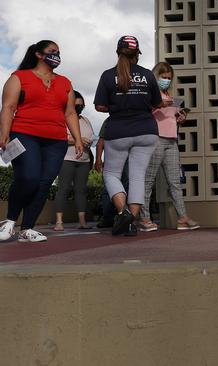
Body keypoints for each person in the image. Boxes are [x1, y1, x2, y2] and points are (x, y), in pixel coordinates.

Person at [0, 40, 83, 242]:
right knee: (28, 177)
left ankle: (27, 228)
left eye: (59, 52)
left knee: (44, 184)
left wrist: (78, 139)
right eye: (52, 51)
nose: (57, 55)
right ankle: (10, 221)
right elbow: (8, 107)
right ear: (39, 54)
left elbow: (70, 112)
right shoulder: (19, 77)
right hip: (24, 134)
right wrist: (4, 133)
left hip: (56, 140)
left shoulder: (65, 82)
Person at [94, 35, 162, 236]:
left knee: (111, 174)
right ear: (137, 54)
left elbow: (99, 106)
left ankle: (122, 212)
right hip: (147, 131)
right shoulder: (147, 75)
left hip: (118, 131)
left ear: (118, 52)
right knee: (137, 176)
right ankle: (131, 222)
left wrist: (116, 105)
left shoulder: (107, 76)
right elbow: (157, 103)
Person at [140, 61, 199, 232]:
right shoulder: (149, 95)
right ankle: (145, 218)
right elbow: (142, 113)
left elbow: (171, 117)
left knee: (175, 181)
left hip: (172, 140)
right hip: (155, 139)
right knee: (148, 180)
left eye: (169, 78)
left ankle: (182, 217)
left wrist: (180, 117)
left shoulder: (170, 96)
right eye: (163, 77)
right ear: (155, 77)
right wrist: (158, 104)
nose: (166, 80)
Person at [53, 90, 95, 231]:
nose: (79, 107)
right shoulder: (62, 118)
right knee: (63, 189)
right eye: (76, 104)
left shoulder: (86, 120)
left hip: (84, 160)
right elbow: (59, 138)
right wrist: (77, 140)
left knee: (81, 190)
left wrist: (88, 148)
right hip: (67, 158)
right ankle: (59, 222)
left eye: (81, 105)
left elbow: (91, 139)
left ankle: (82, 222)